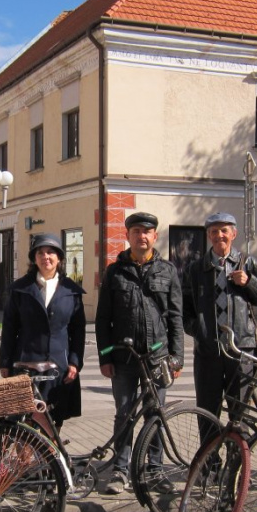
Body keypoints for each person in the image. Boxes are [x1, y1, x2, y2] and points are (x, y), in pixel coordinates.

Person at [96, 212, 184, 495]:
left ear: (154, 236)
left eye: (147, 232)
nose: (141, 236)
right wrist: (105, 358)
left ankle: (155, 470)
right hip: (123, 359)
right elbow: (102, 319)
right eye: (136, 231)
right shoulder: (115, 272)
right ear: (128, 236)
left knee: (155, 414)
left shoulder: (167, 271)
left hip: (158, 359)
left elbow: (175, 317)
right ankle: (120, 471)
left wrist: (177, 356)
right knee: (124, 414)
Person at [182, 212, 257, 434]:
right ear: (208, 236)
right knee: (207, 412)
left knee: (240, 412)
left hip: (241, 350)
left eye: (224, 230)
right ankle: (209, 464)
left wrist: (249, 283)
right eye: (214, 231)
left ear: (234, 234)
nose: (219, 235)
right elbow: (184, 309)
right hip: (208, 352)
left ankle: (238, 463)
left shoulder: (248, 263)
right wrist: (199, 330)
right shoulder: (196, 269)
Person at [0, 233, 86, 429]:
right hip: (26, 363)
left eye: (51, 252)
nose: (46, 257)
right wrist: (5, 361)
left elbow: (78, 331)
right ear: (34, 258)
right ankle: (26, 460)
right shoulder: (21, 289)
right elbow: (9, 327)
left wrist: (74, 362)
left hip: (59, 365)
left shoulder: (71, 291)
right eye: (41, 253)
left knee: (54, 420)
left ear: (59, 258)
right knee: (24, 423)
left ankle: (50, 459)